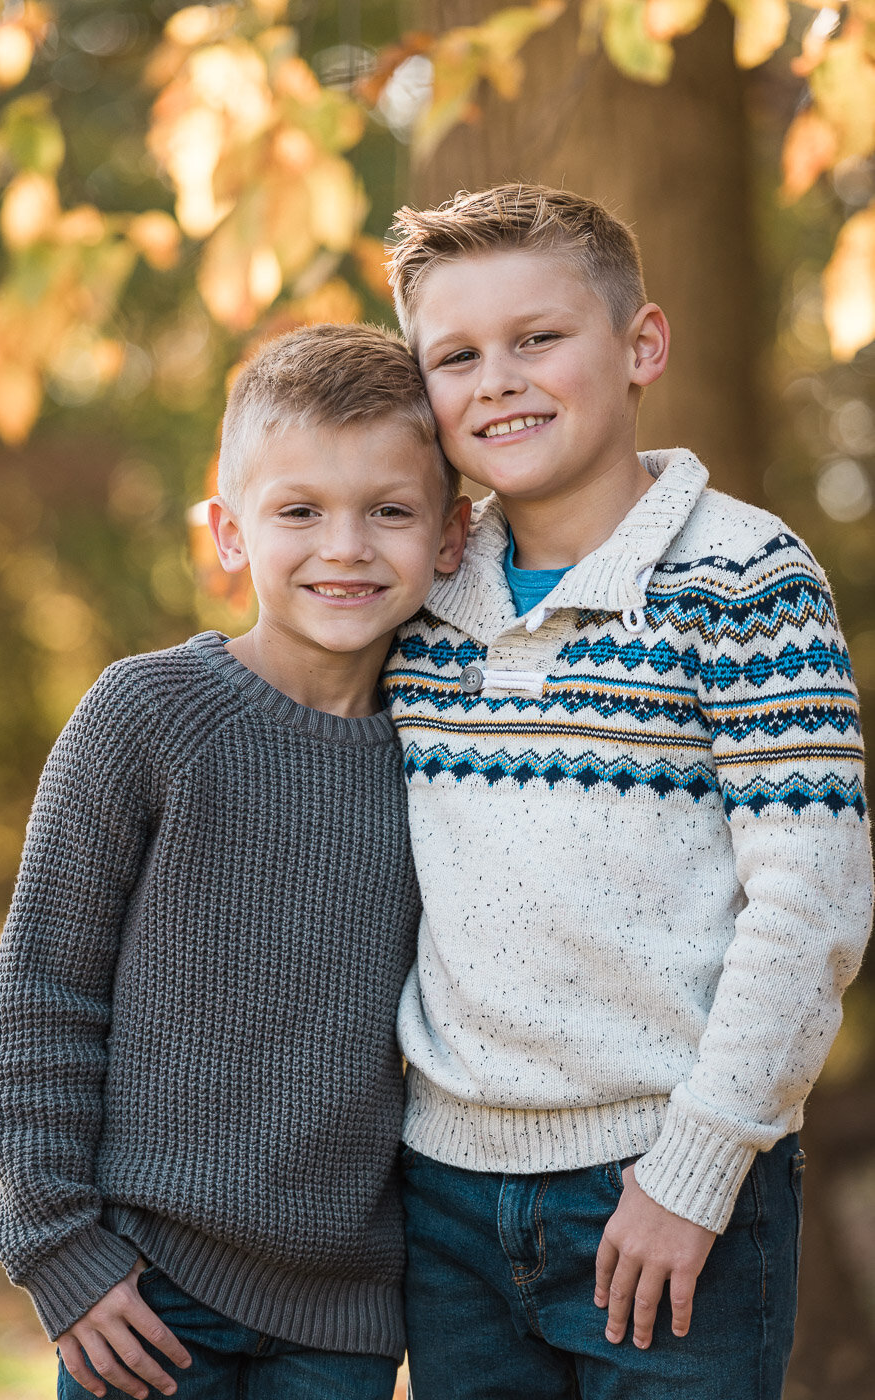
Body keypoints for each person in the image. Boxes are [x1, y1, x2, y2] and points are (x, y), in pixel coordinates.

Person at [381, 183, 874, 1399]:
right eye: (456, 355)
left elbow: (810, 903)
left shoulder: (744, 575)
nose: (497, 379)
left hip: (668, 1178)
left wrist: (695, 1172)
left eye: (537, 337)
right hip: (442, 1193)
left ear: (641, 344)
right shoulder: (416, 590)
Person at [0, 322, 469, 1400]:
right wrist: (59, 1243)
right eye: (299, 510)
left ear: (451, 536)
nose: (344, 546)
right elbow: (42, 991)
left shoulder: (450, 757)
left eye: (388, 510)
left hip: (343, 1311)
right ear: (229, 532)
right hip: (147, 1286)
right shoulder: (146, 715)